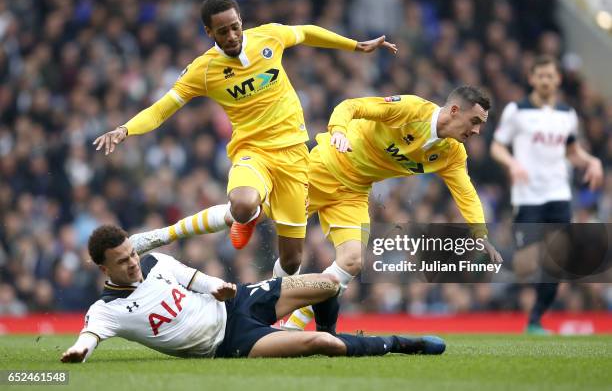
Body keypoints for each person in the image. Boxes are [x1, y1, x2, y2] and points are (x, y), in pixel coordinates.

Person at [140, 86, 503, 331]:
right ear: (454, 110)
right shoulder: (411, 110)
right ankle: (159, 236)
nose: (476, 131)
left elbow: (466, 193)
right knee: (250, 211)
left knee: (352, 263)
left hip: (354, 192)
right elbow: (352, 106)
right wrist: (339, 129)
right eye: (474, 121)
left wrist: (480, 234)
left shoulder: (452, 153)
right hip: (322, 167)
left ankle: (286, 328)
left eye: (481, 126)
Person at [92, 0, 397, 281]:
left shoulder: (270, 37)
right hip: (253, 152)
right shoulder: (205, 70)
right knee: (242, 203)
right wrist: (125, 129)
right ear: (209, 32)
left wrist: (356, 46)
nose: (232, 36)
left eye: (235, 27)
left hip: (294, 156)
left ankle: (271, 307)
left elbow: (305, 32)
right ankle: (246, 216)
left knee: (291, 262)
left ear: (241, 21)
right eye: (222, 31)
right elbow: (162, 109)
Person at [60, 225, 445, 362]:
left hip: (238, 300)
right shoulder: (106, 309)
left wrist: (220, 286)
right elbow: (89, 336)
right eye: (123, 261)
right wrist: (80, 351)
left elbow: (194, 279)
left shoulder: (156, 262)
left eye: (132, 253)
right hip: (229, 342)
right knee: (319, 342)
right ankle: (399, 344)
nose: (133, 263)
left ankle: (340, 337)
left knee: (327, 285)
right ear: (103, 268)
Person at [490, 55, 603, 334]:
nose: (545, 81)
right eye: (540, 76)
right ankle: (493, 263)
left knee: (557, 262)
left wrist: (592, 161)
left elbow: (572, 153)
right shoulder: (517, 110)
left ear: (558, 79)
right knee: (526, 265)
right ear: (531, 78)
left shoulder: (567, 114)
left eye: (550, 76)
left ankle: (535, 320)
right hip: (528, 195)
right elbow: (497, 147)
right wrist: (513, 163)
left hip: (558, 193)